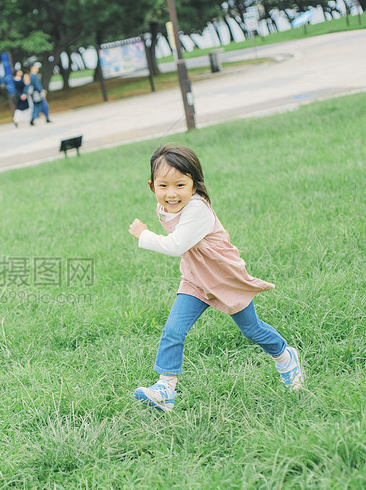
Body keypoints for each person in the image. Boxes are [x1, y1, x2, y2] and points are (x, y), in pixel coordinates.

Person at [128, 143, 305, 412]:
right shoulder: (165, 207)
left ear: (194, 186)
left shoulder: (197, 209)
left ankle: (285, 356)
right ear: (152, 186)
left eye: (180, 185)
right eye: (163, 186)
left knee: (251, 329)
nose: (171, 194)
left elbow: (176, 245)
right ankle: (166, 387)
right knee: (174, 330)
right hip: (196, 278)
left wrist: (144, 235)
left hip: (223, 277)